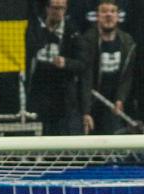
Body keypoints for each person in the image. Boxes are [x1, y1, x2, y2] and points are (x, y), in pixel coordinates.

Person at [26, 0, 85, 135]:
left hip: (63, 97)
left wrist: (66, 63)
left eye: (61, 8)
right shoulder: (34, 29)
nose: (58, 12)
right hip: (38, 93)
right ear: (47, 8)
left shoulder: (72, 31)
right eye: (54, 8)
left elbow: (82, 63)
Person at [79, 0, 136, 134]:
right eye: (104, 11)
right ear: (97, 16)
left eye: (112, 11)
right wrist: (86, 111)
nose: (108, 15)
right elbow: (85, 78)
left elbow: (128, 76)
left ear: (118, 16)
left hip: (113, 105)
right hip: (92, 102)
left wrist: (120, 99)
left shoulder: (128, 42)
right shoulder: (87, 41)